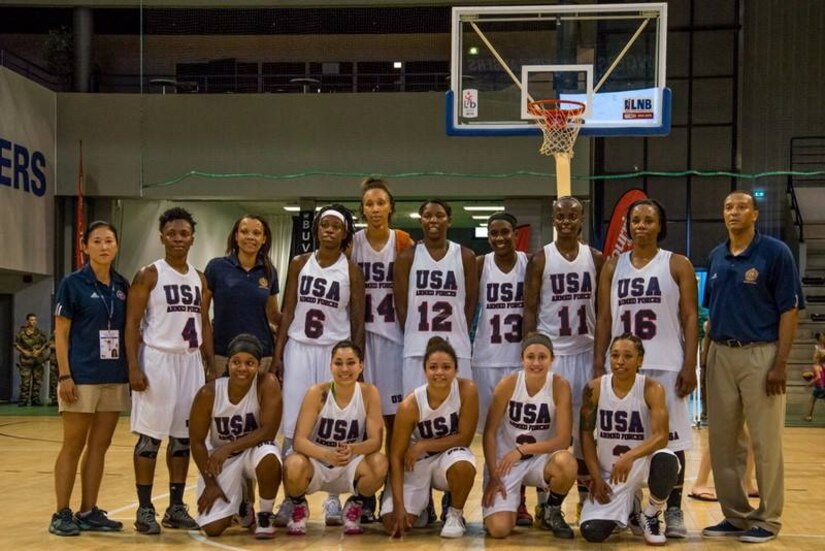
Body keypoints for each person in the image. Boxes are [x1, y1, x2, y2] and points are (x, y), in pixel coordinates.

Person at [702, 191, 803, 544]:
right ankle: (736, 516)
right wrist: (705, 361)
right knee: (723, 443)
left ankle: (769, 519)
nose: (734, 212)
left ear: (755, 214)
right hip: (721, 354)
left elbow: (790, 311)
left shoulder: (776, 253)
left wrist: (781, 363)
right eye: (728, 206)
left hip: (761, 354)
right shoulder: (716, 256)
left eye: (742, 206)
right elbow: (710, 317)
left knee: (765, 442)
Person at [593, 198, 698, 539]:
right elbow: (605, 319)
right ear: (628, 227)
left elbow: (690, 317)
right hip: (623, 367)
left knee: (673, 440)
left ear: (660, 226)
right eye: (635, 220)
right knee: (627, 437)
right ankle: (637, 507)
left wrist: (690, 363)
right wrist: (598, 363)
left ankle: (675, 508)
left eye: (648, 220)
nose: (641, 226)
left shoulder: (677, 264)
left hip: (666, 363)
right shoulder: (613, 266)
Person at [273, 204, 365, 526]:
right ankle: (291, 500)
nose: (328, 231)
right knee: (292, 424)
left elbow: (357, 321)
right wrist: (278, 353)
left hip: (333, 352)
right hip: (299, 348)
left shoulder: (351, 270)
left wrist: (357, 366)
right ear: (317, 230)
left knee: (333, 422)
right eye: (324, 225)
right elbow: (288, 309)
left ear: (344, 233)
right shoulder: (300, 263)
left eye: (335, 227)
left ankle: (333, 499)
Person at [126, 207, 214, 535]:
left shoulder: (199, 277)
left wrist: (209, 364)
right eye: (172, 233)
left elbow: (203, 322)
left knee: (182, 439)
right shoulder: (149, 274)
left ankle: (175, 507)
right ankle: (144, 508)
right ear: (161, 237)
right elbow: (132, 323)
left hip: (189, 362)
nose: (178, 239)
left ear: (192, 238)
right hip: (158, 360)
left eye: (184, 234)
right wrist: (133, 366)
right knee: (150, 438)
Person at [523, 196, 604, 523]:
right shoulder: (541, 258)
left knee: (587, 432)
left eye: (572, 216)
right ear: (554, 220)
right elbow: (528, 308)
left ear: (581, 218)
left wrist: (600, 359)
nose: (566, 221)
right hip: (552, 355)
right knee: (546, 430)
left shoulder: (596, 258)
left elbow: (603, 311)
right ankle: (546, 501)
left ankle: (586, 501)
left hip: (584, 352)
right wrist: (530, 354)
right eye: (561, 216)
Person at [48, 221, 130, 536]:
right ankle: (61, 512)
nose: (104, 246)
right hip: (81, 377)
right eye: (97, 241)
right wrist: (65, 374)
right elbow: (61, 332)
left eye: (109, 240)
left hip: (113, 376)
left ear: (117, 245)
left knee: (100, 445)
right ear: (85, 246)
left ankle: (88, 510)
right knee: (73, 444)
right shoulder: (73, 283)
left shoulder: (121, 285)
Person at [349, 177, 413, 521]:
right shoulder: (353, 243)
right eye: (369, 204)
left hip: (394, 339)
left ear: (391, 207)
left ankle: (395, 484)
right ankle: (362, 492)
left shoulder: (402, 241)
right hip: (361, 341)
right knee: (360, 423)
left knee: (394, 421)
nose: (375, 209)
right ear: (363, 209)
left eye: (380, 203)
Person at [578, 334, 681, 545]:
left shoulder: (652, 389)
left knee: (667, 459)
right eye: (615, 355)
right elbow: (586, 435)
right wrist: (595, 476)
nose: (619, 361)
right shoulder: (594, 389)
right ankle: (630, 508)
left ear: (640, 360)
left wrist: (630, 456)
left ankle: (650, 514)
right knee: (591, 532)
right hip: (610, 474)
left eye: (627, 356)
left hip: (640, 465)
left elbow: (661, 437)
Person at [283, 340, 387, 536]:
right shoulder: (317, 393)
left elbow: (376, 442)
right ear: (330, 365)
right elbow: (299, 441)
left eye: (350, 362)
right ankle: (298, 506)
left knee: (380, 463)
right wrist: (327, 454)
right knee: (293, 464)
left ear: (360, 365)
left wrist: (354, 449)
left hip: (349, 463)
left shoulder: (369, 393)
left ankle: (354, 504)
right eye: (338, 363)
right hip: (317, 464)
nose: (344, 369)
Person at [482, 332, 577, 539]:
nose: (536, 363)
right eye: (530, 357)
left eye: (542, 357)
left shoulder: (560, 386)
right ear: (522, 359)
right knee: (498, 530)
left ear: (552, 359)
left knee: (566, 462)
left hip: (539, 460)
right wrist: (492, 474)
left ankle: (550, 512)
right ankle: (504, 507)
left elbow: (562, 440)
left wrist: (522, 450)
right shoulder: (507, 384)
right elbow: (489, 433)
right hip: (506, 462)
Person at [382, 337, 478, 539]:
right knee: (394, 524)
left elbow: (465, 437)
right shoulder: (410, 405)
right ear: (425, 370)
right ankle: (423, 505)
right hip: (415, 464)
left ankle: (455, 514)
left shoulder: (466, 390)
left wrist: (424, 444)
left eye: (446, 367)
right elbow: (397, 457)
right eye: (433, 367)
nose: (440, 373)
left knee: (464, 465)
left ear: (455, 369)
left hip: (448, 458)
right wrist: (399, 505)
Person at [189, 334, 283, 539]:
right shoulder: (209, 393)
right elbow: (196, 442)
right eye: (236, 362)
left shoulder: (267, 383)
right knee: (213, 529)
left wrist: (228, 447)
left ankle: (265, 514)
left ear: (258, 365)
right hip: (221, 461)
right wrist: (211, 483)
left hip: (254, 451)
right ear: (228, 363)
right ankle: (242, 502)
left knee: (270, 457)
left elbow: (269, 431)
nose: (242, 368)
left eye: (250, 363)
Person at [471, 212, 532, 524]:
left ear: (514, 233)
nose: (499, 238)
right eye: (493, 233)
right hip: (486, 358)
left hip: (517, 360)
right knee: (492, 435)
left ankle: (522, 501)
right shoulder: (481, 265)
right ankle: (494, 494)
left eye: (505, 232)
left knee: (521, 432)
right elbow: (468, 309)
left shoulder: (529, 263)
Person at [394, 199, 477, 393]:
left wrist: (459, 329)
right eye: (427, 216)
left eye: (440, 216)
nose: (433, 220)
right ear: (420, 221)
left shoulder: (466, 256)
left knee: (457, 408)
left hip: (456, 345)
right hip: (417, 346)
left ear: (449, 220)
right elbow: (401, 306)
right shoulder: (407, 257)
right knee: (416, 410)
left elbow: (471, 303)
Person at [204, 215, 281, 378]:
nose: (250, 237)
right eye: (244, 232)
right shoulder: (216, 267)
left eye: (256, 233)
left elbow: (274, 315)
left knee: (258, 403)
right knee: (222, 403)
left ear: (264, 239)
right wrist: (208, 356)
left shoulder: (269, 271)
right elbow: (201, 314)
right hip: (223, 354)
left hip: (261, 354)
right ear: (236, 236)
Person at [14, 312, 48, 406]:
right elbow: (16, 344)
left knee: (37, 381)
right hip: (26, 360)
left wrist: (39, 351)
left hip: (37, 359)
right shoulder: (22, 333)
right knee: (25, 381)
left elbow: (46, 344)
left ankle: (35, 399)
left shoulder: (40, 332)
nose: (33, 322)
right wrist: (24, 351)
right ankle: (23, 400)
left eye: (34, 320)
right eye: (31, 320)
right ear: (27, 321)